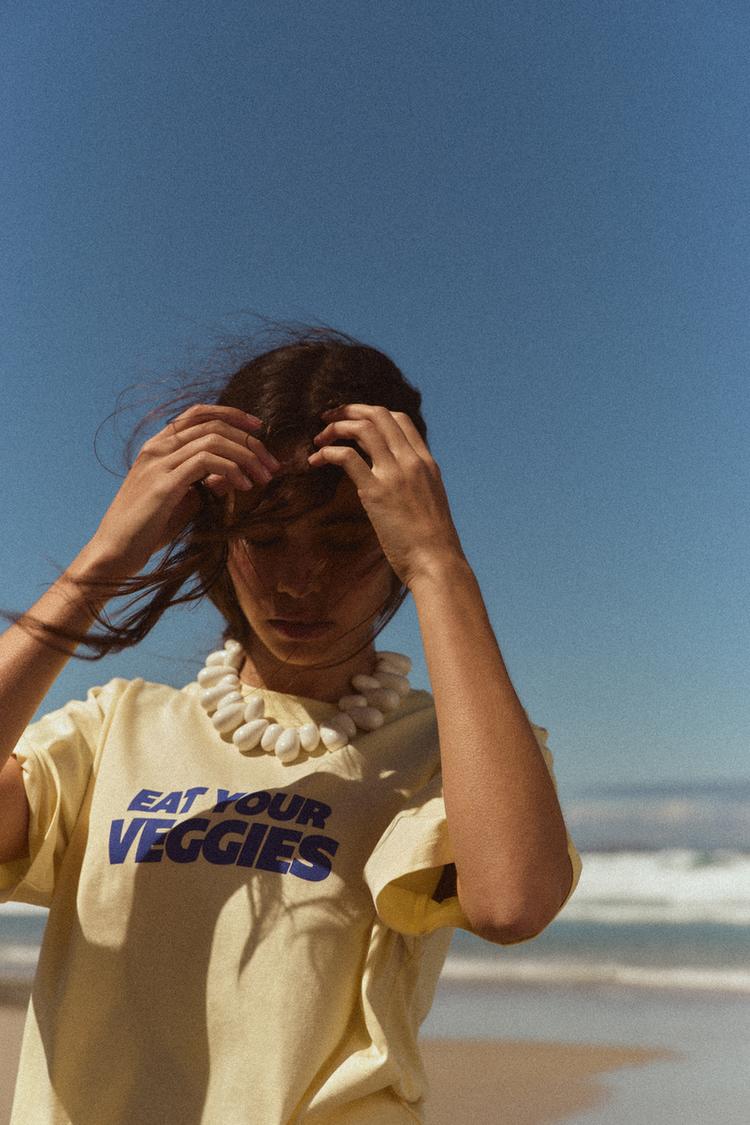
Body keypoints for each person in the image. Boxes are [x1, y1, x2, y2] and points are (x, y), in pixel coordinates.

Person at [0, 328, 582, 1124]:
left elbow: (513, 901)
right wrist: (103, 559)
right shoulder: (115, 730)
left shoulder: (448, 749)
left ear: (394, 534)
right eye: (265, 537)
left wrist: (439, 564)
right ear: (219, 537)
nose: (300, 578)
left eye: (343, 540)